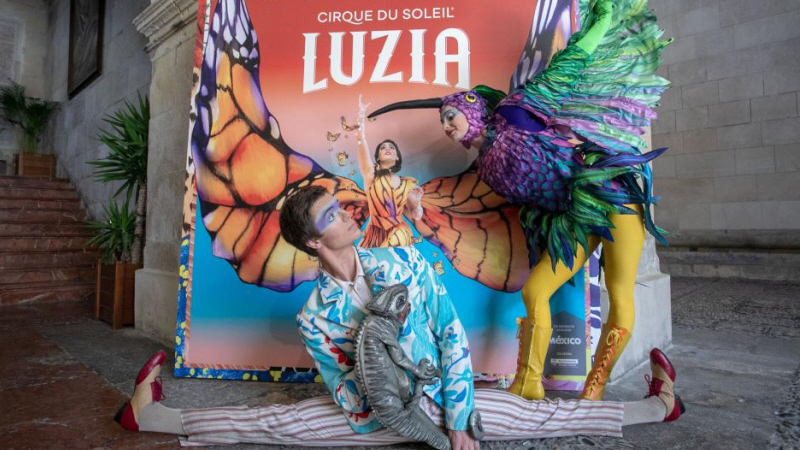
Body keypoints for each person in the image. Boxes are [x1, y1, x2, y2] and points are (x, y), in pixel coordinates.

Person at [116, 185, 684, 449]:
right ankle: (154, 416)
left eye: (340, 207)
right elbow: (346, 393)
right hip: (379, 420)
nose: (347, 216)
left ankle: (659, 405)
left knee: (538, 417)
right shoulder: (314, 318)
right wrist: (391, 400)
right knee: (280, 425)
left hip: (449, 399)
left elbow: (451, 336)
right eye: (333, 216)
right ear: (314, 243)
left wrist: (455, 422)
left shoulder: (406, 260)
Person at [368, 0, 670, 402]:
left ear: (474, 109)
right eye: (442, 122)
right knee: (535, 291)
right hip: (572, 218)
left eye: (450, 116)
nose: (445, 126)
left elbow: (572, 63)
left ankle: (593, 390)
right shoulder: (484, 169)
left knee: (619, 292)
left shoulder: (516, 111)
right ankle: (528, 383)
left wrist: (603, 19)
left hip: (611, 198)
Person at [354, 96, 424, 248]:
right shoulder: (370, 175)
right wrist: (360, 120)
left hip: (400, 232)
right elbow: (361, 140)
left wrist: (416, 204)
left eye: (392, 147)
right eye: (383, 148)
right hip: (374, 233)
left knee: (397, 240)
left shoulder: (406, 183)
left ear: (397, 157)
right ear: (377, 157)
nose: (387, 149)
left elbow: (415, 216)